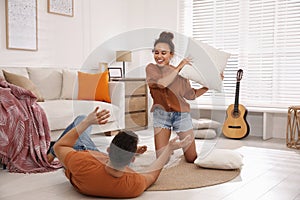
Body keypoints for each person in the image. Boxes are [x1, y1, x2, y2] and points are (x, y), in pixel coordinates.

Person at [50, 107, 192, 198]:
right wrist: (169, 149)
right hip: (99, 158)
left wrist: (87, 122)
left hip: (82, 151)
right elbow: (152, 174)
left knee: (80, 119)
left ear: (109, 150)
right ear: (133, 160)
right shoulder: (133, 185)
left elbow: (59, 146)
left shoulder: (82, 164)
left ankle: (48, 154)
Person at [146, 31, 221, 163]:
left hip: (181, 116)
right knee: (162, 160)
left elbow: (191, 95)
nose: (159, 56)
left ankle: (173, 148)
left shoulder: (181, 75)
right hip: (161, 115)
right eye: (156, 52)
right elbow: (162, 84)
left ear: (171, 55)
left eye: (164, 53)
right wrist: (181, 65)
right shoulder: (151, 69)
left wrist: (210, 85)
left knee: (192, 158)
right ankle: (170, 148)